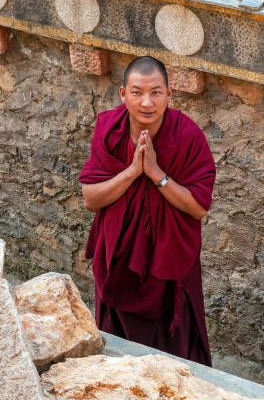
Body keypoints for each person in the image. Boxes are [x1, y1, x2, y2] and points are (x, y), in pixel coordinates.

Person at [79, 56, 216, 366]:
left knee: (173, 358)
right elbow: (90, 198)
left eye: (156, 92)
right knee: (118, 356)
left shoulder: (188, 136)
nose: (147, 102)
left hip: (167, 266)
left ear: (169, 94)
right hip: (119, 261)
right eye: (137, 92)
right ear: (122, 94)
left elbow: (198, 208)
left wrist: (156, 174)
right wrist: (132, 172)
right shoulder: (109, 128)